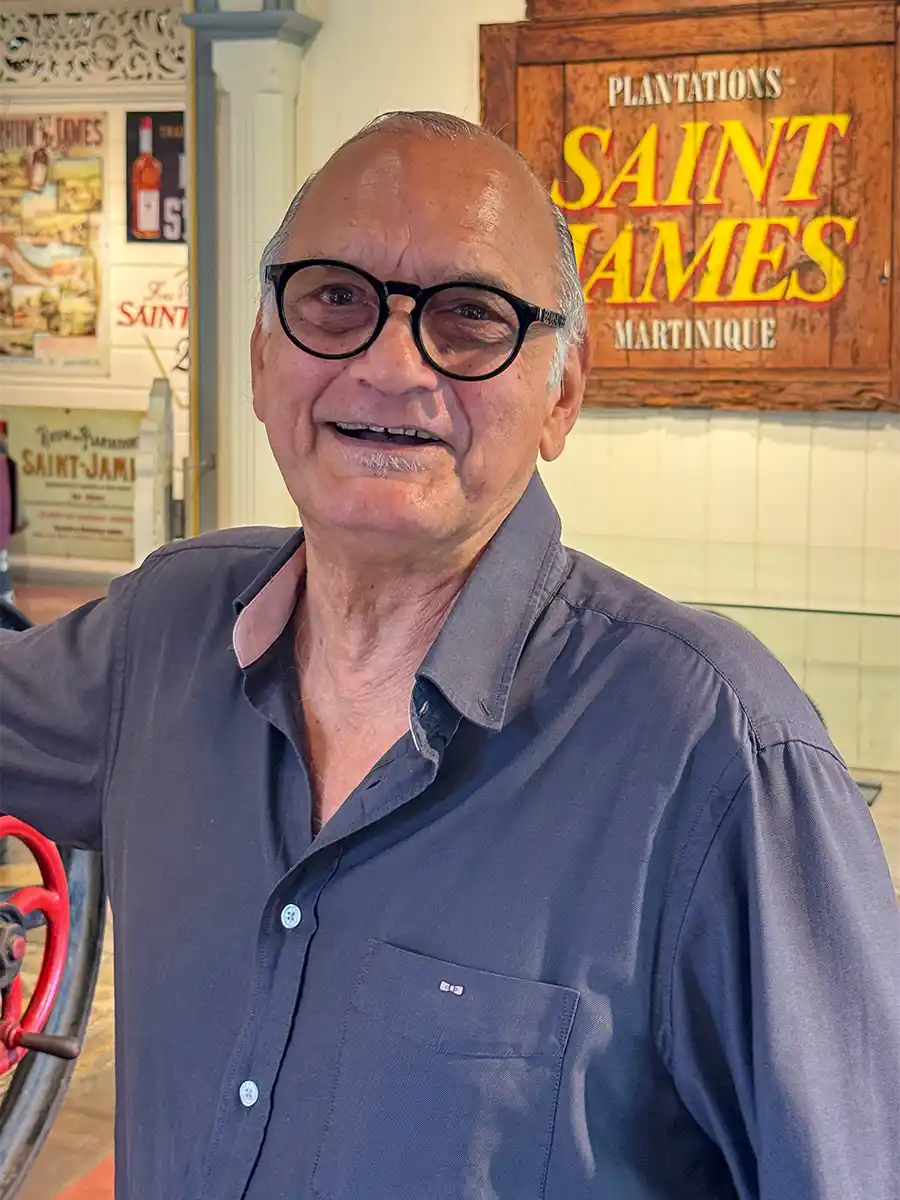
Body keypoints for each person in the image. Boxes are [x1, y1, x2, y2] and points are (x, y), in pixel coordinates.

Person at [0, 111, 898, 1200]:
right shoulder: (161, 634)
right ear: (262, 358)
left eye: (471, 316)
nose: (390, 365)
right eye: (335, 297)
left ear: (563, 391)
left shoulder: (719, 756)